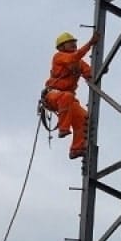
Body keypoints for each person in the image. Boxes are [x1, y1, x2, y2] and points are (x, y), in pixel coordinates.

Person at [42, 30, 98, 159]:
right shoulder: (59, 56)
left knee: (83, 117)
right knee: (67, 97)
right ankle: (63, 128)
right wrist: (90, 43)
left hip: (67, 98)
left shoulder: (79, 63)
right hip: (53, 96)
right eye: (70, 43)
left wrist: (99, 69)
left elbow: (89, 73)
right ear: (61, 47)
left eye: (74, 42)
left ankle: (76, 149)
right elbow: (74, 57)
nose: (73, 44)